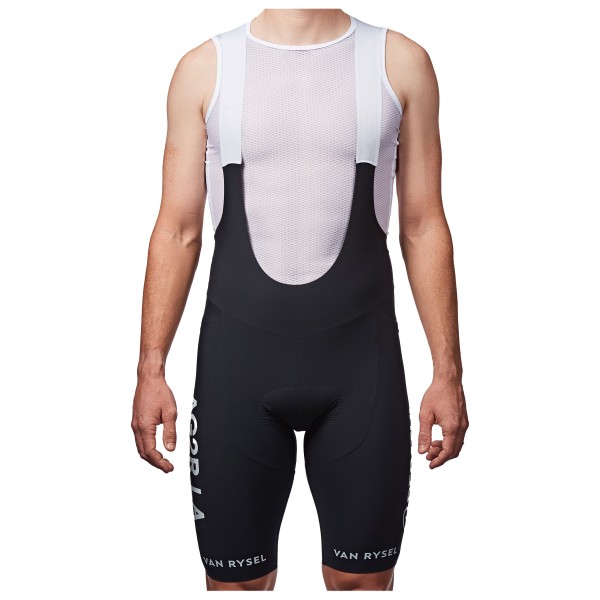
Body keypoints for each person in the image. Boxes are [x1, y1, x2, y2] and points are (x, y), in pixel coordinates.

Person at [131, 8, 469, 592]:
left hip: (360, 369)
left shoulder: (399, 62)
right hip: (237, 370)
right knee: (236, 585)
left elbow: (422, 225)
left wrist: (448, 372)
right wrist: (150, 369)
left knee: (361, 581)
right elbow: (177, 229)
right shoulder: (206, 68)